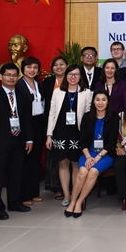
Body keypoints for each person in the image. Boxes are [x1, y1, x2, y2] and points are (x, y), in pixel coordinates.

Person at [0, 63, 33, 220]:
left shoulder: (22, 95)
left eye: (14, 75)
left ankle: (14, 202)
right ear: (0, 76)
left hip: (18, 140)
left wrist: (29, 139)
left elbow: (27, 119)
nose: (11, 78)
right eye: (8, 75)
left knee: (16, 173)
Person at [64, 90, 118, 218]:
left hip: (105, 154)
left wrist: (98, 157)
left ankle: (79, 202)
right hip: (88, 152)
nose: (100, 103)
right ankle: (72, 202)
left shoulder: (114, 117)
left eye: (103, 100)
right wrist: (88, 156)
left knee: (93, 172)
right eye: (97, 99)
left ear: (108, 102)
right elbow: (82, 140)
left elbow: (111, 142)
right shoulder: (87, 117)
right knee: (82, 171)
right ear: (93, 101)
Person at [46, 64, 91, 208]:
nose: (73, 77)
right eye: (70, 74)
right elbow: (52, 114)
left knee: (76, 163)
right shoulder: (58, 91)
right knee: (63, 163)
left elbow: (89, 116)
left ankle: (75, 195)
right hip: (60, 132)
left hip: (77, 133)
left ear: (80, 76)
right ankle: (66, 194)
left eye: (76, 74)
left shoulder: (86, 92)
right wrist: (49, 135)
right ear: (66, 76)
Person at [16, 56, 46, 206]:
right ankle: (23, 195)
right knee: (25, 161)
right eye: (29, 67)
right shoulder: (19, 85)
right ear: (23, 69)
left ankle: (34, 192)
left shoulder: (38, 84)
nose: (32, 70)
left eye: (35, 67)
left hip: (38, 124)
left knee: (35, 160)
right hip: (25, 125)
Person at [42, 56, 67, 201]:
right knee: (53, 156)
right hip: (51, 122)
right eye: (56, 65)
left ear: (67, 66)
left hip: (69, 124)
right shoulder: (47, 82)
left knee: (68, 157)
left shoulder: (72, 80)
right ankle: (56, 187)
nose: (59, 67)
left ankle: (68, 186)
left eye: (61, 64)